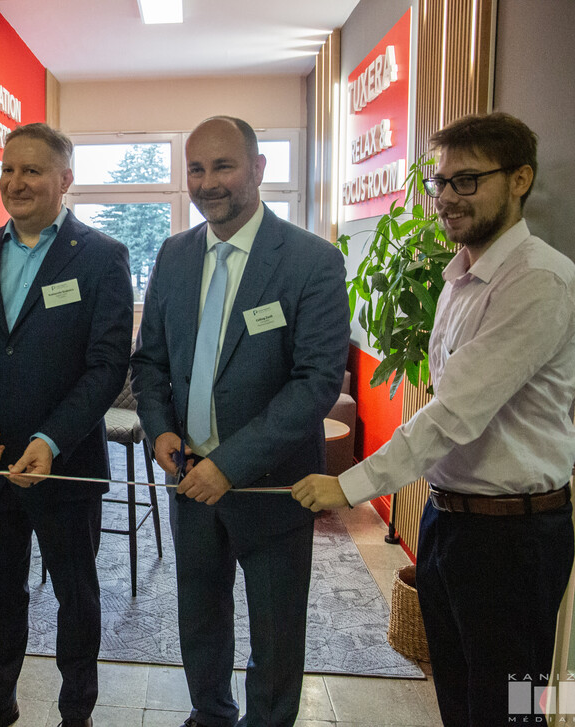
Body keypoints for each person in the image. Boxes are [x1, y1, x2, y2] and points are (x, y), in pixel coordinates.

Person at [291, 112, 575, 727]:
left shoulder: (537, 277)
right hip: (449, 519)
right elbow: (491, 392)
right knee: (454, 693)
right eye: (441, 182)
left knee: (510, 706)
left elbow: (453, 412)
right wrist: (551, 434)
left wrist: (348, 485)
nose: (447, 197)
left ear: (520, 179)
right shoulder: (459, 278)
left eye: (468, 180)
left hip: (513, 540)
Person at [130, 116, 350, 727]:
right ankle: (211, 715)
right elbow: (148, 361)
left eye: (223, 166)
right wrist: (160, 428)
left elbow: (316, 382)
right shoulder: (174, 254)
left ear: (258, 168)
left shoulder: (312, 261)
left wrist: (229, 464)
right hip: (189, 480)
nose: (207, 183)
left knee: (276, 633)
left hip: (273, 485)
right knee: (200, 617)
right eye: (196, 169)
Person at [0, 123, 133, 727]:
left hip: (65, 463)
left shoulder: (102, 256)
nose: (15, 182)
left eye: (32, 171)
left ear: (65, 179)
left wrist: (50, 439)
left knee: (77, 598)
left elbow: (107, 365)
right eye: (8, 169)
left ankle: (76, 712)